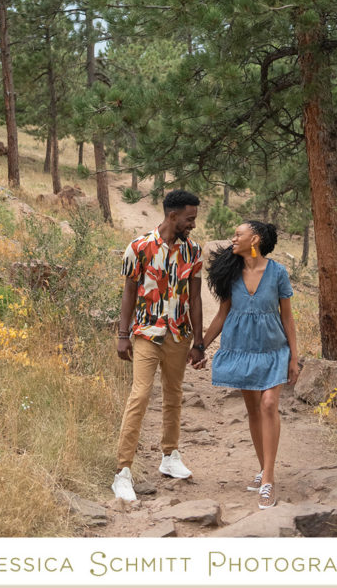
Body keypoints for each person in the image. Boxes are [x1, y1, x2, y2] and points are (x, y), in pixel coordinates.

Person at [112, 190, 206, 502]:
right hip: (145, 332)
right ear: (172, 216)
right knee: (139, 395)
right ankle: (123, 471)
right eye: (189, 218)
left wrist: (200, 342)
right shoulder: (138, 247)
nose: (193, 224)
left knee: (174, 395)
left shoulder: (193, 251)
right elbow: (128, 290)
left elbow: (194, 298)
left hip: (179, 335)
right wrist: (123, 334)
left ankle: (170, 456)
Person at [200, 221, 299, 509]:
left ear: (254, 239)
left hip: (273, 351)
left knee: (269, 404)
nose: (233, 238)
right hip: (242, 350)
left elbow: (288, 318)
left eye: (238, 234)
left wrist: (294, 357)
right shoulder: (231, 274)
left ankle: (267, 481)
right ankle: (264, 469)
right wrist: (200, 347)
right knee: (253, 410)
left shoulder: (278, 273)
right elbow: (221, 315)